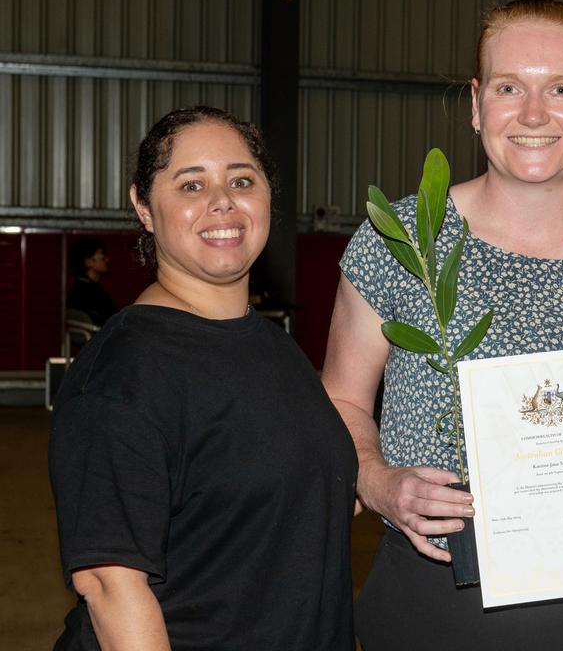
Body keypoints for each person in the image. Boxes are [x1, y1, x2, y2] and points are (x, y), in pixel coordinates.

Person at [321, 0, 563, 650]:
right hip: (432, 600)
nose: (533, 114)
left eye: (560, 88)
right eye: (508, 87)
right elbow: (341, 399)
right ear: (475, 104)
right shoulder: (404, 240)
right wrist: (380, 483)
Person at [48, 107, 358, 650]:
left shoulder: (273, 347)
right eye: (191, 184)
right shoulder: (125, 373)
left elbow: (297, 495)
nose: (223, 202)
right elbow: (110, 585)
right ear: (144, 207)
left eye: (242, 180)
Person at [66, 236, 117, 326]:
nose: (107, 259)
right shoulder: (92, 294)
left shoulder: (78, 290)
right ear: (89, 262)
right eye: (102, 256)